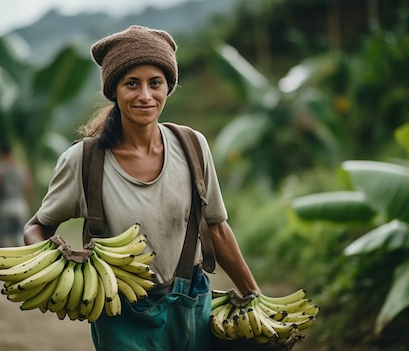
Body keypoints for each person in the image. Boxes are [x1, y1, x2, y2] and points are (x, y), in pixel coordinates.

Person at [23, 25, 261, 350]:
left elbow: (217, 228)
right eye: (131, 83)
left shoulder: (192, 146)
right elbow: (38, 226)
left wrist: (253, 295)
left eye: (155, 83)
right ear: (114, 91)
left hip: (190, 303)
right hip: (120, 313)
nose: (145, 96)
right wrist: (60, 261)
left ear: (168, 88)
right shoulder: (84, 161)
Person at [0, 142, 33, 247]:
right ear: (11, 153)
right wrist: (27, 205)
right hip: (20, 206)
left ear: (1, 154)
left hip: (5, 207)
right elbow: (28, 188)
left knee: (1, 238)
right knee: (20, 237)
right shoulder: (22, 169)